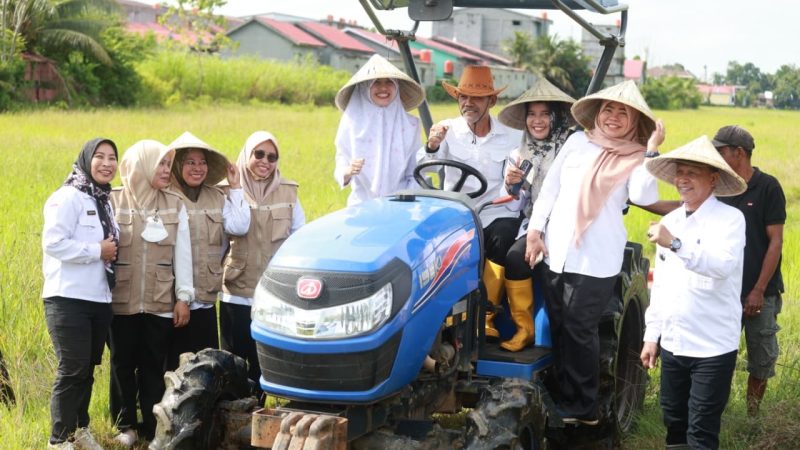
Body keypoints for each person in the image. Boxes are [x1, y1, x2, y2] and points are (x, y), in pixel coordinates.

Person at [524, 80, 664, 424]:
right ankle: (560, 397)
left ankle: (584, 408)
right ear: (598, 114)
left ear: (634, 121)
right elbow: (550, 190)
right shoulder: (576, 142)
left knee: (579, 329)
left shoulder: (634, 156)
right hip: (557, 250)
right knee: (558, 326)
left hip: (596, 258)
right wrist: (535, 232)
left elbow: (645, 196)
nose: (614, 117)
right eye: (608, 110)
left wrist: (650, 151)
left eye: (623, 112)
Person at [641, 135, 747, 450]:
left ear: (713, 179)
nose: (682, 180)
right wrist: (651, 335)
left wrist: (675, 243)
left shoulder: (730, 220)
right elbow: (660, 285)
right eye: (679, 172)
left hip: (713, 346)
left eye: (692, 173)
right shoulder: (670, 220)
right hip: (674, 343)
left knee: (701, 430)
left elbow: (721, 266)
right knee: (674, 422)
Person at [419, 65, 522, 333]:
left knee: (503, 235)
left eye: (476, 98)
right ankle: (441, 321)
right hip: (458, 213)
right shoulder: (446, 130)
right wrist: (431, 146)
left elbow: (514, 182)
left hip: (496, 212)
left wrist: (512, 183)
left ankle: (485, 318)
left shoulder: (511, 136)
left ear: (492, 101)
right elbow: (424, 170)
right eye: (463, 97)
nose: (468, 103)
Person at [108, 139, 194, 446]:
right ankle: (124, 426)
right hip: (121, 301)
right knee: (121, 364)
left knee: (153, 366)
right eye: (160, 163)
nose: (166, 170)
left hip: (159, 301)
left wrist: (183, 297)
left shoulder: (174, 204)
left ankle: (150, 426)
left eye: (168, 164)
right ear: (141, 166)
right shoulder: (112, 201)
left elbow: (182, 255)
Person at [41, 138, 119, 449]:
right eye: (99, 156)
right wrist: (95, 250)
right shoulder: (67, 197)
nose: (106, 163)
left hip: (98, 299)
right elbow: (53, 243)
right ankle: (58, 440)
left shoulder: (104, 201)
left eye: (112, 157)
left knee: (87, 369)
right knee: (71, 369)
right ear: (86, 160)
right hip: (67, 299)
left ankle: (79, 429)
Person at [491, 77, 576, 351]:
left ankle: (535, 332)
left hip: (567, 225)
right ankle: (499, 321)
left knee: (521, 258)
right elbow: (517, 205)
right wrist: (512, 184)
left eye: (544, 115)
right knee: (502, 246)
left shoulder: (571, 149)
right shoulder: (519, 152)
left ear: (557, 117)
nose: (537, 121)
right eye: (531, 115)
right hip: (535, 224)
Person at [220, 131, 305, 394]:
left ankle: (258, 414)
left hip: (273, 292)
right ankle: (233, 416)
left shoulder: (289, 192)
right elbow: (222, 239)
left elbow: (300, 236)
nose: (265, 161)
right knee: (234, 361)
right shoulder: (226, 191)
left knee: (264, 360)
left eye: (272, 156)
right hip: (236, 292)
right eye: (258, 154)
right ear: (247, 154)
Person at [712, 125, 786, 416]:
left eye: (720, 151)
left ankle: (752, 415)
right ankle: (716, 411)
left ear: (738, 153)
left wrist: (757, 289)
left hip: (760, 293)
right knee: (718, 355)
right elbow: (684, 206)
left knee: (761, 358)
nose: (716, 155)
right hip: (724, 290)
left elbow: (775, 242)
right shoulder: (718, 186)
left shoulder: (768, 187)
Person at [165, 132, 251, 370]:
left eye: (202, 162)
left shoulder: (217, 196)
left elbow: (240, 226)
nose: (198, 168)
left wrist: (235, 188)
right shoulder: (166, 197)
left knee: (206, 365)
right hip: (171, 300)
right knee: (173, 365)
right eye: (190, 162)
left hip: (205, 298)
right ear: (177, 165)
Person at [334, 54, 425, 206]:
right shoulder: (351, 123)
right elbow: (341, 160)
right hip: (361, 207)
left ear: (396, 86)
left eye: (389, 82)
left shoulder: (411, 125)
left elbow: (415, 172)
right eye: (376, 82)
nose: (383, 88)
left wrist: (406, 204)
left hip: (400, 207)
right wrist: (348, 171)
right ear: (365, 88)